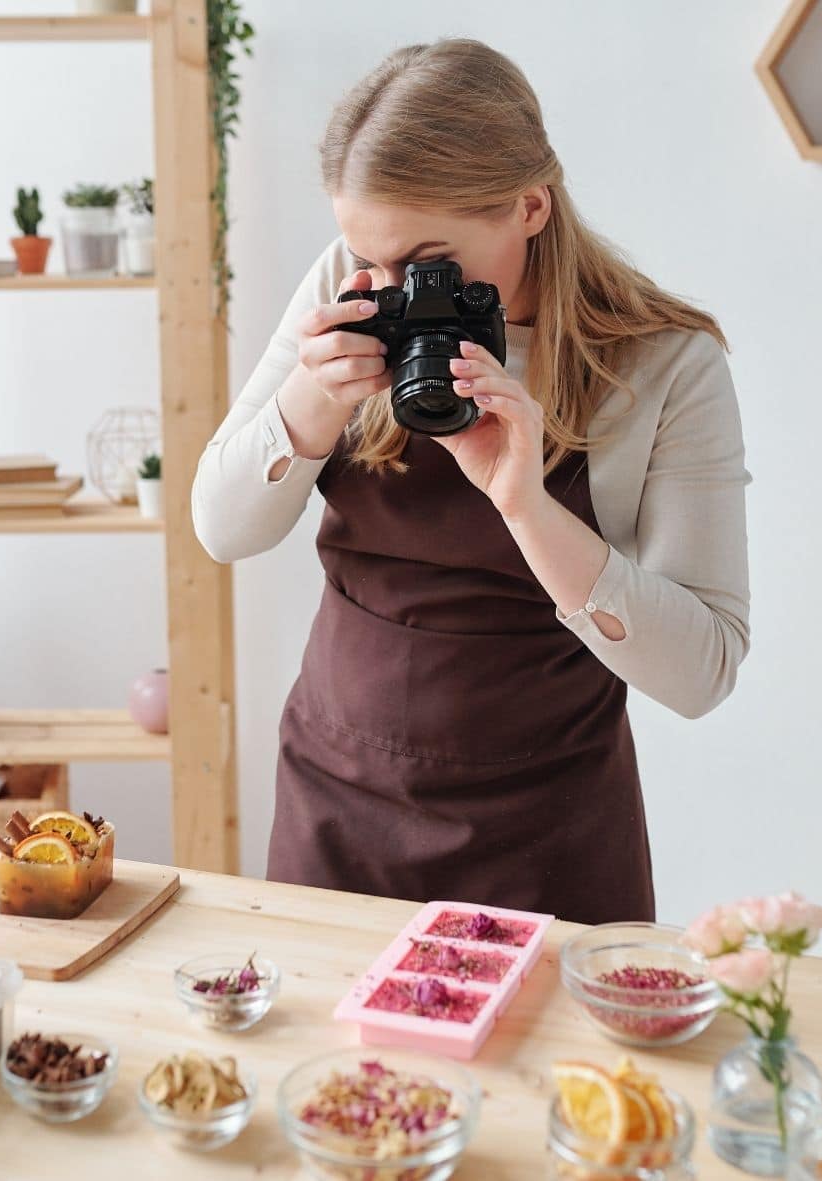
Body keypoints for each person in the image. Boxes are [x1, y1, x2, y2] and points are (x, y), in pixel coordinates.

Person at [191, 38, 750, 924]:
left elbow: (701, 670)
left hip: (547, 826)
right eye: (363, 255)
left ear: (529, 206)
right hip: (336, 797)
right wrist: (310, 397)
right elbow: (222, 531)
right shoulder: (349, 286)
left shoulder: (662, 362)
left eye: (425, 261)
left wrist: (524, 506)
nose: (387, 287)